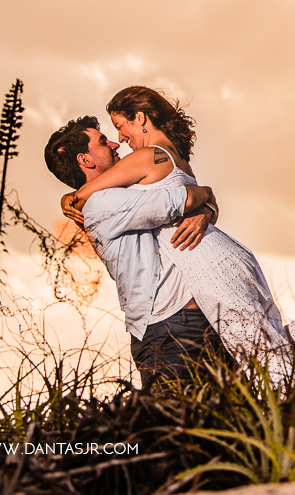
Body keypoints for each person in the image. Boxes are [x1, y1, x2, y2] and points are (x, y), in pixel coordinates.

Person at [59, 86, 295, 386]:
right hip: (214, 272)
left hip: (204, 277)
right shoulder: (161, 165)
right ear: (84, 158)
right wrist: (207, 203)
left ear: (141, 118)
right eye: (108, 137)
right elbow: (181, 197)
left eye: (120, 126)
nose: (119, 139)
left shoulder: (147, 157)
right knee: (266, 352)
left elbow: (100, 196)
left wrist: (70, 198)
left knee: (264, 357)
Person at [44, 116, 229, 387]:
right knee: (180, 412)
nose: (115, 143)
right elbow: (183, 199)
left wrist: (205, 210)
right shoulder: (102, 202)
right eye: (103, 142)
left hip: (191, 322)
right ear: (85, 160)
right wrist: (206, 195)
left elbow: (186, 204)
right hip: (172, 330)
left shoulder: (122, 192)